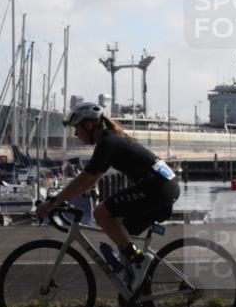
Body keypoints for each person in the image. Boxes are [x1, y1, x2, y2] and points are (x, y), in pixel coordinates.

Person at [36, 102, 180, 288]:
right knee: (123, 237)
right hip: (164, 187)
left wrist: (53, 203)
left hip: (158, 188)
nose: (76, 134)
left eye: (76, 129)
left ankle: (140, 261)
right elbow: (90, 181)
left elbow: (85, 178)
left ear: (89, 125)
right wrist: (63, 200)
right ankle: (132, 292)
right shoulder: (111, 140)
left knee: (100, 213)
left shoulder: (107, 143)